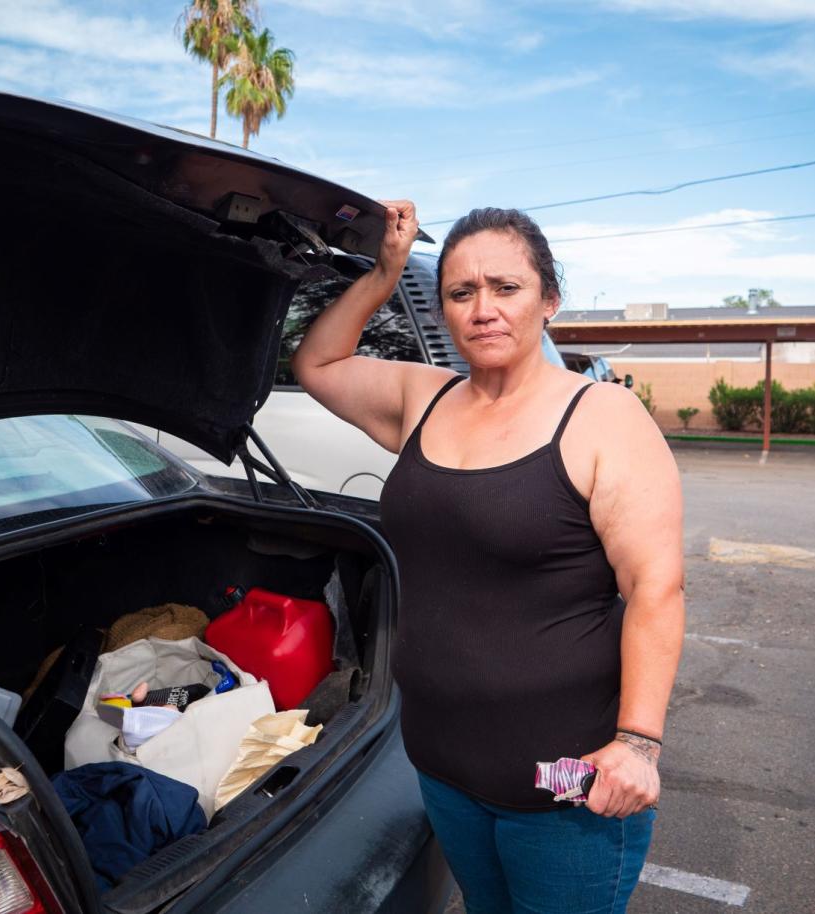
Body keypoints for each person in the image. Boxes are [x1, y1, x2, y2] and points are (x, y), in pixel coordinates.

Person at [289, 202, 685, 914]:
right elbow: (316, 361)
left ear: (549, 300)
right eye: (462, 292)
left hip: (565, 784)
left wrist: (639, 744)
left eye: (507, 288)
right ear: (443, 308)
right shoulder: (423, 397)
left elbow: (655, 585)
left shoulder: (601, 417)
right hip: (443, 770)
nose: (484, 309)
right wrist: (384, 271)